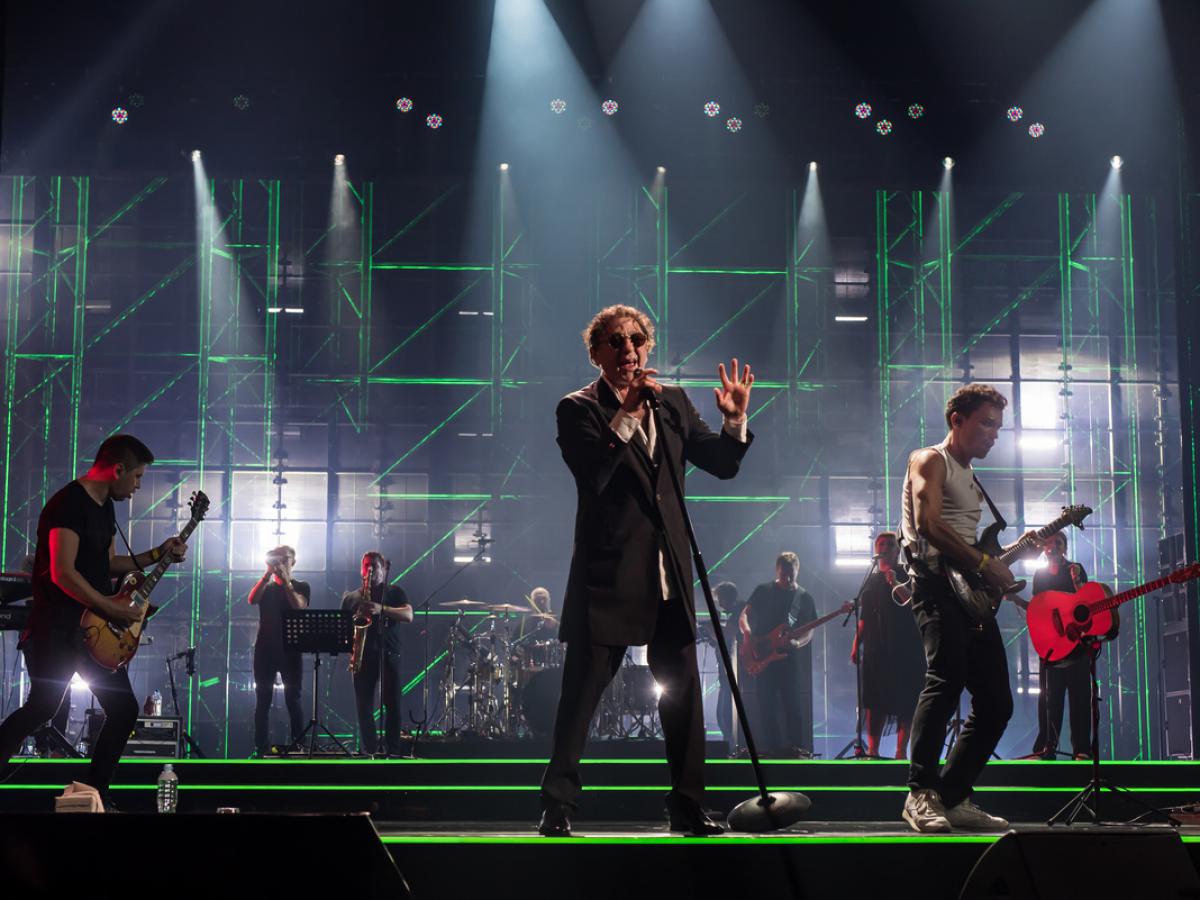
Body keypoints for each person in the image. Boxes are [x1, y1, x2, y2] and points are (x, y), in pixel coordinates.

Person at [538, 304, 754, 837]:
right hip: (609, 576)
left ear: (647, 347)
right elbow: (595, 473)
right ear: (596, 352)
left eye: (636, 339)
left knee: (683, 695)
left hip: (668, 574)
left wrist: (733, 421)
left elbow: (722, 464)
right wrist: (629, 413)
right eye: (615, 341)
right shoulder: (578, 408)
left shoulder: (672, 401)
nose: (628, 349)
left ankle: (688, 805)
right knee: (581, 695)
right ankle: (557, 805)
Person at [0, 434, 187, 804]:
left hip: (93, 632)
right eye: (136, 477)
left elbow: (108, 563)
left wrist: (157, 553)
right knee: (43, 707)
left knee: (123, 709)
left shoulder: (105, 508)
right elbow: (63, 573)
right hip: (57, 629)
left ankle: (94, 795)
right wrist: (111, 608)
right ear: (117, 470)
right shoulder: (67, 504)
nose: (137, 486)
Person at [899, 383, 1038, 833]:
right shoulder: (930, 460)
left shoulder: (971, 477)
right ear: (957, 420)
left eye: (998, 426)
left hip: (968, 594)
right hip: (934, 585)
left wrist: (998, 560)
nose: (994, 434)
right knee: (945, 680)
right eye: (986, 424)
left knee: (997, 703)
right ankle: (920, 793)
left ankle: (952, 795)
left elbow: (971, 542)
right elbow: (928, 524)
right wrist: (983, 563)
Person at [1012, 534, 1094, 760]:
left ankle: (1081, 750)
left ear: (1065, 547)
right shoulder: (1040, 575)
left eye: (1058, 542)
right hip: (1052, 646)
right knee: (1049, 699)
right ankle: (1046, 748)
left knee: (1079, 698)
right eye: (1049, 542)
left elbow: (1085, 603)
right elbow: (1039, 609)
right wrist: (1016, 600)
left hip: (1076, 645)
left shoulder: (1075, 569)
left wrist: (1077, 582)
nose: (1053, 545)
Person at [850, 532, 926, 759]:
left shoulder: (907, 573)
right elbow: (864, 617)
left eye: (890, 544)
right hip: (876, 648)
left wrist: (894, 582)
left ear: (897, 550)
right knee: (874, 700)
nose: (885, 547)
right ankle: (872, 751)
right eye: (881, 544)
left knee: (906, 699)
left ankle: (900, 753)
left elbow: (914, 603)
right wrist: (856, 644)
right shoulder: (871, 580)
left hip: (905, 646)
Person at [738, 553, 817, 755]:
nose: (787, 578)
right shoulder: (763, 590)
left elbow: (810, 630)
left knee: (793, 704)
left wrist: (797, 642)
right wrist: (747, 634)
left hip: (789, 658)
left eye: (791, 574)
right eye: (783, 574)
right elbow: (744, 615)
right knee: (766, 704)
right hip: (762, 653)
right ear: (777, 570)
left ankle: (798, 749)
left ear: (797, 570)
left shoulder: (804, 598)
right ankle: (772, 749)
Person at [341, 551, 412, 756]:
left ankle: (393, 750)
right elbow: (343, 629)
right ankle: (370, 750)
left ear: (383, 569)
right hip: (362, 656)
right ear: (361, 569)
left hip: (389, 654)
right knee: (364, 707)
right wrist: (352, 650)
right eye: (366, 566)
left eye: (375, 566)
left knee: (393, 704)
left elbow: (408, 615)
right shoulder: (351, 598)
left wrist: (382, 609)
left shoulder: (394, 592)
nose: (370, 569)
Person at [248, 545, 309, 756]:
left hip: (291, 650)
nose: (280, 563)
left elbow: (298, 605)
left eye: (285, 559)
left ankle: (298, 746)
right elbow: (252, 599)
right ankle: (261, 748)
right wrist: (267, 574)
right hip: (265, 650)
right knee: (262, 700)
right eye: (277, 559)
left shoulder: (301, 586)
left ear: (294, 562)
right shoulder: (266, 587)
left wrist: (286, 582)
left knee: (293, 699)